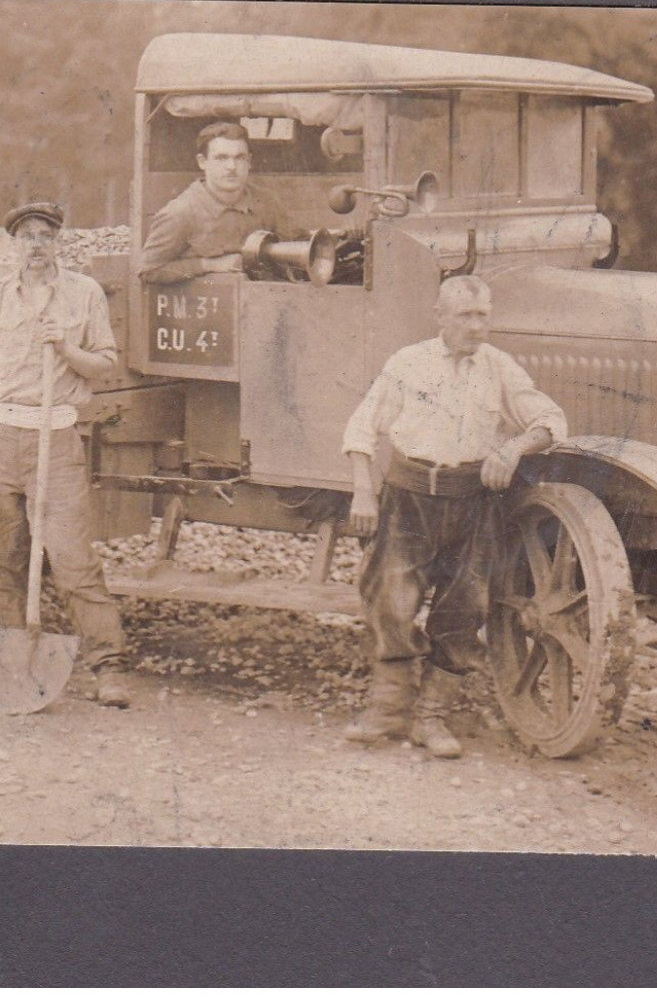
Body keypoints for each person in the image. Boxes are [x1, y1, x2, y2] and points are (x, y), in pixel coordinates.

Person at [340, 274, 568, 758]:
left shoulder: (499, 368)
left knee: (466, 606)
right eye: (465, 315)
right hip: (409, 497)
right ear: (440, 316)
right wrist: (363, 493)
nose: (476, 326)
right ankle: (388, 708)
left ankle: (432, 716)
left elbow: (551, 420)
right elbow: (361, 430)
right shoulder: (408, 364)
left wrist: (513, 449)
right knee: (391, 600)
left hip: (474, 503)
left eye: (483, 314)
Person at [0, 201, 131, 708]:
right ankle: (12, 658)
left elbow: (104, 364)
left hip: (55, 439)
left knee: (73, 558)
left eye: (45, 235)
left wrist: (66, 348)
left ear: (59, 241)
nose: (36, 245)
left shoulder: (84, 294)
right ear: (13, 244)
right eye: (26, 236)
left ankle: (108, 667)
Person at [136, 121, 305, 284]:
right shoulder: (181, 213)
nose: (231, 167)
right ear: (203, 162)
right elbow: (149, 270)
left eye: (239, 158)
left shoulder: (266, 202)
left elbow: (298, 243)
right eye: (221, 158)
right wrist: (208, 265)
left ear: (249, 161)